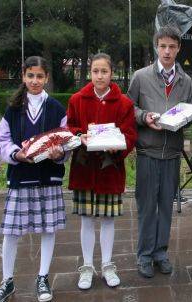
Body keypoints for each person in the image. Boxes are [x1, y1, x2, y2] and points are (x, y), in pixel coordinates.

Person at [0, 56, 69, 302]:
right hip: (21, 177)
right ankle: (7, 281)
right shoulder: (12, 109)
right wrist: (16, 154)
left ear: (46, 78)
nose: (35, 81)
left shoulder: (56, 108)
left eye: (40, 76)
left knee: (48, 229)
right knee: (11, 232)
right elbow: (2, 141)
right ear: (23, 77)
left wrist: (60, 153)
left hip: (48, 178)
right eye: (30, 75)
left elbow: (65, 142)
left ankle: (43, 277)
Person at [127, 26, 192, 278]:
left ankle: (160, 253)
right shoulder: (141, 77)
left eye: (172, 47)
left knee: (166, 206)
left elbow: (188, 112)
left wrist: (184, 119)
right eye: (163, 46)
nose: (167, 51)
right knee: (146, 208)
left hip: (172, 154)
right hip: (147, 152)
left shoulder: (185, 81)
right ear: (157, 47)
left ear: (178, 49)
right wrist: (145, 117)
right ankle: (144, 255)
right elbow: (129, 108)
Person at [67, 53, 136, 289]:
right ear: (90, 73)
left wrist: (116, 147)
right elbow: (70, 127)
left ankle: (107, 265)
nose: (99, 76)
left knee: (107, 220)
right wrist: (79, 135)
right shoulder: (77, 99)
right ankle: (87, 266)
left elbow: (129, 135)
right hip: (84, 169)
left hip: (110, 170)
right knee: (87, 220)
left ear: (112, 73)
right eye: (95, 71)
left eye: (104, 71)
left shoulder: (124, 103)